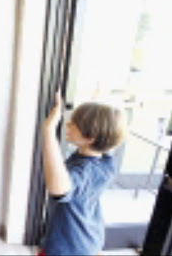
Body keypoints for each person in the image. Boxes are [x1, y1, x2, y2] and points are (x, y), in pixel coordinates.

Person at [39, 92, 126, 255]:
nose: (68, 124)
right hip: (87, 237)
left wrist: (49, 131)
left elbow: (59, 190)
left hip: (71, 247)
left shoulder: (87, 171)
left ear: (90, 137)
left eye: (74, 123)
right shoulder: (105, 160)